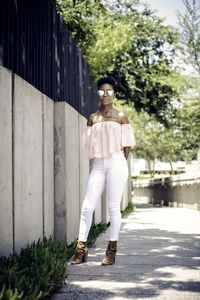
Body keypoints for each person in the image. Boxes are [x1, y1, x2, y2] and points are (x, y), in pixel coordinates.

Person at [71, 77, 135, 266]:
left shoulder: (121, 116)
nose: (105, 94)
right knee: (87, 207)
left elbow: (127, 146)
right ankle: (81, 250)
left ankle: (111, 251)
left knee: (113, 207)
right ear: (98, 93)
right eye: (101, 91)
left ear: (115, 94)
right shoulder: (92, 118)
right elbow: (89, 144)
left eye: (109, 91)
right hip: (98, 165)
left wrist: (120, 163)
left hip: (116, 163)